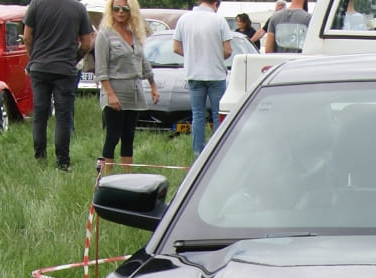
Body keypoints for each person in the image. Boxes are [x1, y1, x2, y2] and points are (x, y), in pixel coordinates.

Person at [24, 0, 93, 171]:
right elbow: (86, 43)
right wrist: (74, 59)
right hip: (65, 69)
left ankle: (40, 158)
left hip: (40, 67)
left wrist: (33, 59)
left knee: (40, 114)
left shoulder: (36, 4)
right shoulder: (78, 8)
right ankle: (63, 162)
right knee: (63, 116)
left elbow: (27, 37)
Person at [95, 0, 158, 170]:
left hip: (135, 92)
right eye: (116, 8)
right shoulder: (105, 35)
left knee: (128, 135)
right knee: (113, 135)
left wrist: (153, 85)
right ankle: (106, 177)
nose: (120, 12)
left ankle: (127, 175)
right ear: (111, 10)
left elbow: (143, 62)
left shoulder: (134, 34)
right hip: (115, 91)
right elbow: (101, 70)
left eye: (125, 9)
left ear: (132, 11)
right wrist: (111, 94)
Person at [172, 0, 232, 157]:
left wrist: (193, 55)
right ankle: (218, 151)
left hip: (194, 73)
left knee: (197, 115)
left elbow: (176, 47)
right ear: (215, 4)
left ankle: (198, 152)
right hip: (215, 73)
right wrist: (215, 55)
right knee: (218, 115)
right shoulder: (219, 20)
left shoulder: (184, 19)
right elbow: (228, 50)